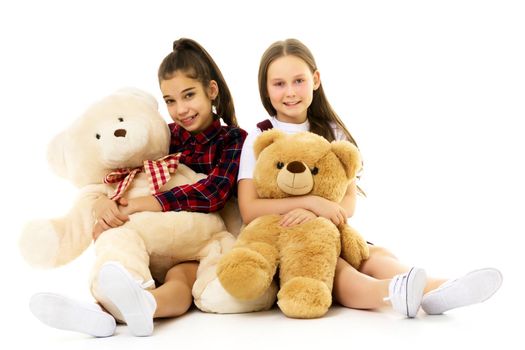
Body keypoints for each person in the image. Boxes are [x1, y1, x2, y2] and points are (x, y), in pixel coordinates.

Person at [237, 38, 502, 318]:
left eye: (298, 81)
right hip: (288, 243)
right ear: (265, 88)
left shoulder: (332, 132)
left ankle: (441, 288)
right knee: (339, 270)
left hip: (332, 230)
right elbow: (248, 208)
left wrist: (322, 212)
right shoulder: (260, 136)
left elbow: (348, 202)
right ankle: (397, 294)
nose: (290, 92)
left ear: (315, 80)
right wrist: (313, 204)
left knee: (375, 255)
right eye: (279, 84)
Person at [29, 38, 247, 337]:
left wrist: (150, 203)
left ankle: (134, 308)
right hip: (149, 242)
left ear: (211, 91)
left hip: (200, 244)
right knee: (118, 257)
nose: (181, 109)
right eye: (170, 101)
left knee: (181, 281)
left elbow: (215, 192)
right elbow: (119, 172)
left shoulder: (234, 139)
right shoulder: (165, 136)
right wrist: (102, 204)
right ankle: (100, 309)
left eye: (188, 95)